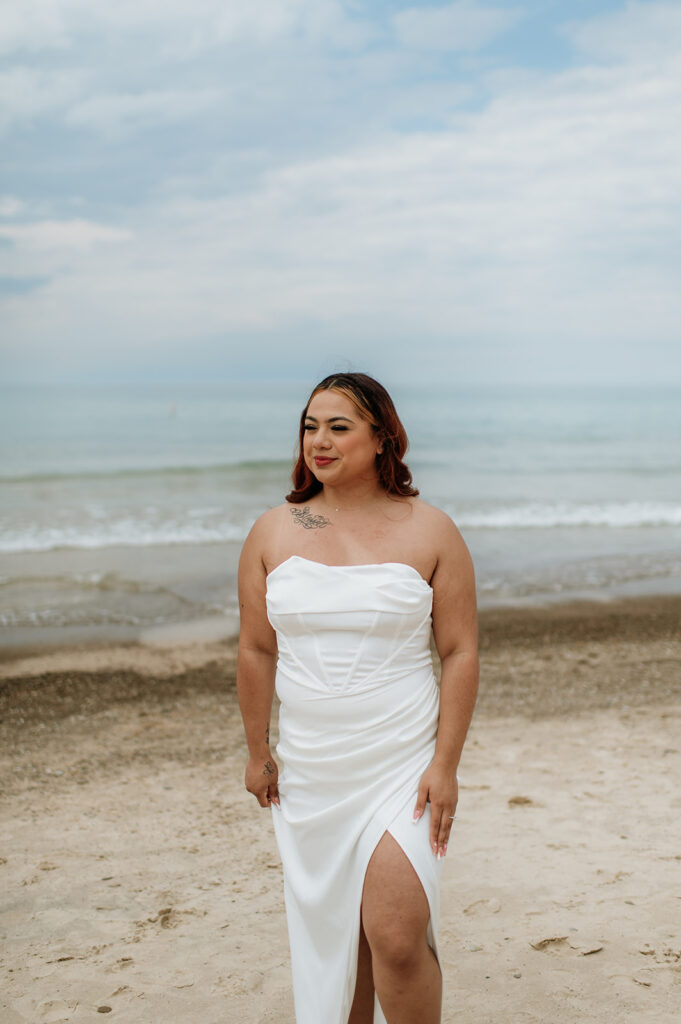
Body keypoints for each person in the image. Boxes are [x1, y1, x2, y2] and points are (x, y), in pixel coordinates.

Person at [236, 372, 478, 1024]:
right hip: (312, 768)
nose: (319, 440)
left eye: (338, 427)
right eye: (310, 426)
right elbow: (256, 650)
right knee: (342, 946)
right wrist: (257, 751)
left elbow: (459, 651)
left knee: (396, 939)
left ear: (382, 438)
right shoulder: (272, 530)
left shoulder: (431, 530)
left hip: (401, 761)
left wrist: (445, 765)